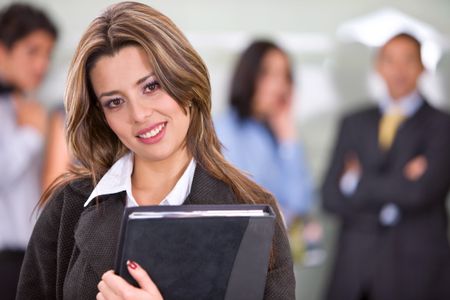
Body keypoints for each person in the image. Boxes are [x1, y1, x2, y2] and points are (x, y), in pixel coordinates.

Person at [16, 2, 295, 299]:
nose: (138, 114)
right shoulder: (68, 207)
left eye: (151, 86)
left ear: (185, 81)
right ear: (102, 116)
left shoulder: (253, 210)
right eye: (115, 101)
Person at [322, 32, 450, 300]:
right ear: (378, 67)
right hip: (355, 269)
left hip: (416, 272)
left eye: (408, 60)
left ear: (422, 67)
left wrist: (356, 183)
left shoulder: (441, 125)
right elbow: (330, 196)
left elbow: (421, 193)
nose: (399, 70)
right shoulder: (353, 122)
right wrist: (400, 183)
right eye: (390, 60)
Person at [215, 40, 314, 226]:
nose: (280, 86)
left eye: (285, 76)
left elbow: (301, 203)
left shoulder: (279, 133)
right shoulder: (224, 129)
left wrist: (289, 139)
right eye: (269, 74)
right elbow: (244, 204)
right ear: (249, 76)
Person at [0, 3, 57, 299]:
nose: (42, 65)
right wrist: (31, 136)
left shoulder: (29, 107)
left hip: (31, 257)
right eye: (32, 51)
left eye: (48, 54)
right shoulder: (29, 120)